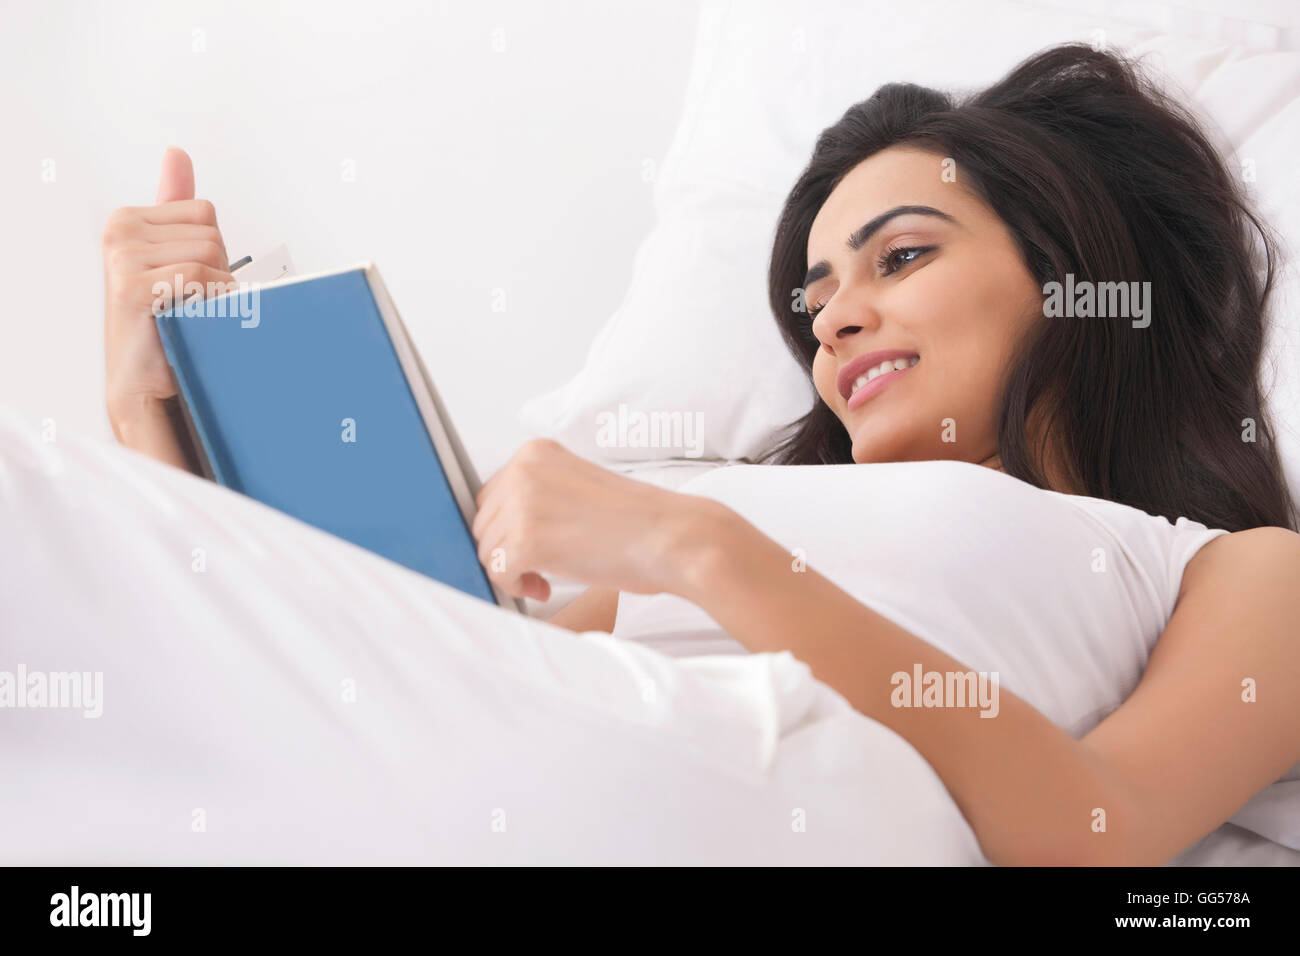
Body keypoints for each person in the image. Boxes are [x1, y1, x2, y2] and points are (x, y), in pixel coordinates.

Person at [101, 44, 1300, 866]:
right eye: (815, 298)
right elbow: (387, 690)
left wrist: (691, 541)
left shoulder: (1233, 570)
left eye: (900, 258)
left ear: (1065, 279)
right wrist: (156, 422)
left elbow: (1102, 831)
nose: (830, 321)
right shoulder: (736, 516)